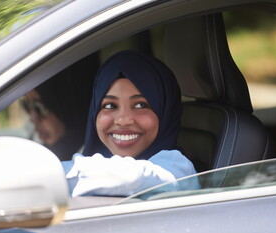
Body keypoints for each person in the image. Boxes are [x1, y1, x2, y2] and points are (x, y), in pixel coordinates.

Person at [64, 50, 198, 197]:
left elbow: (132, 178)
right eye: (110, 106)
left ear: (165, 112)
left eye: (141, 105)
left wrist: (48, 174)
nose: (123, 120)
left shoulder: (178, 170)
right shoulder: (91, 158)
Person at [22, 53, 99, 160]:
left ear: (70, 104)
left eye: (40, 107)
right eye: (27, 106)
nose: (32, 118)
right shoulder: (48, 155)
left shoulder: (93, 161)